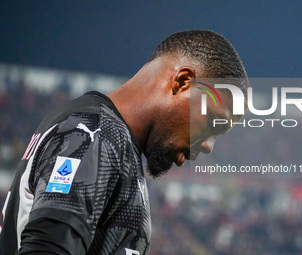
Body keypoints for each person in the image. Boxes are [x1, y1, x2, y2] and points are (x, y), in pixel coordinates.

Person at [0, 30, 248, 255]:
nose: (208, 146)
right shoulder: (94, 135)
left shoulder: (113, 142)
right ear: (182, 82)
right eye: (214, 122)